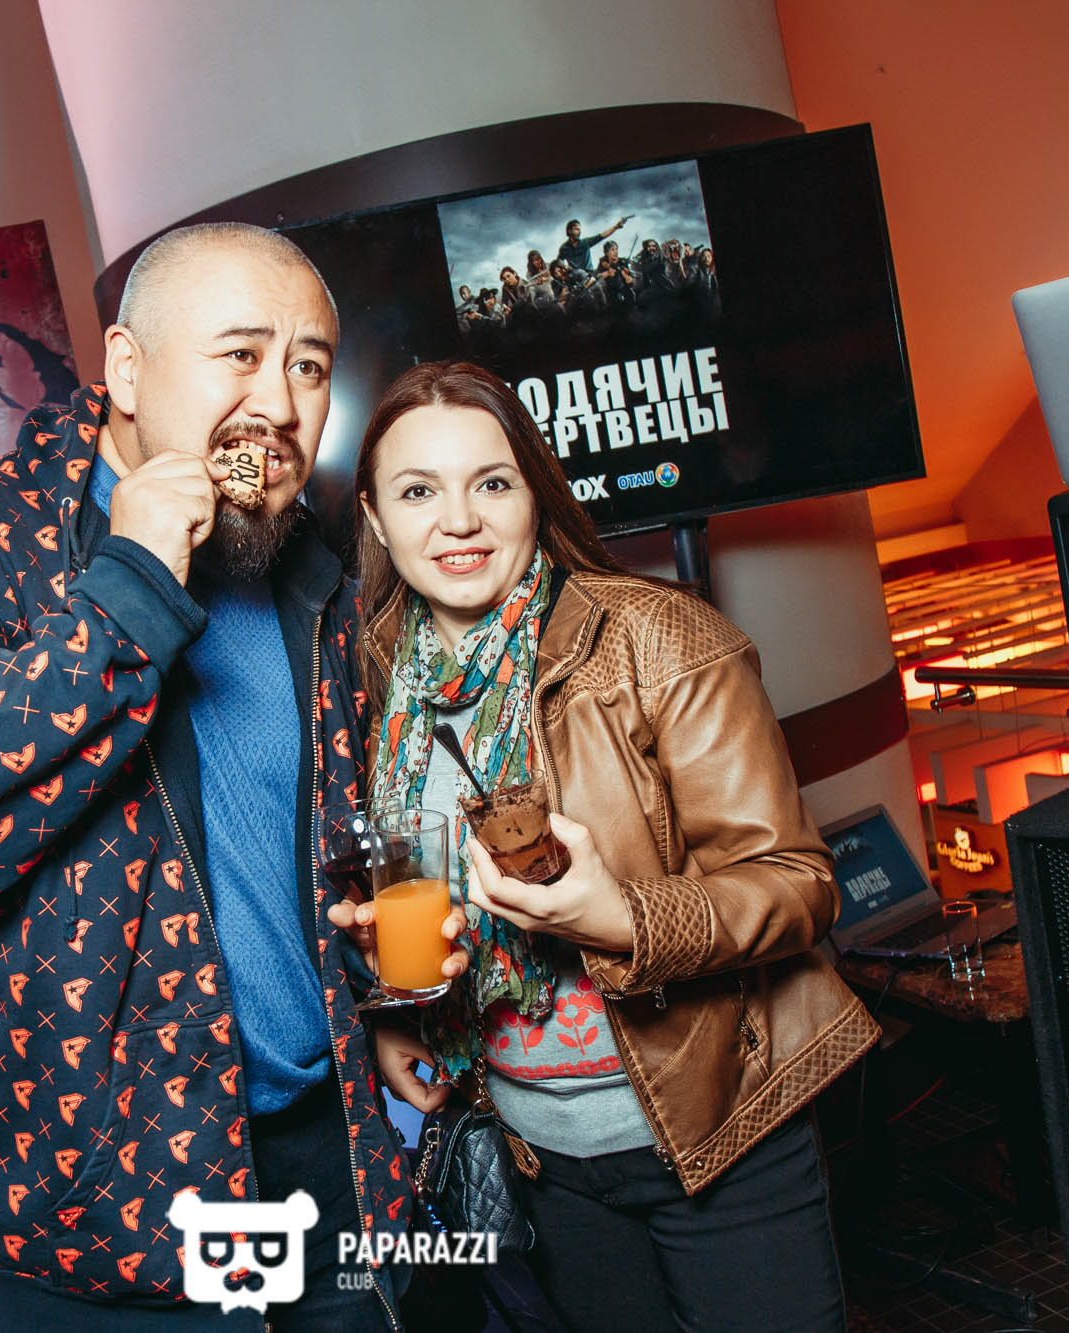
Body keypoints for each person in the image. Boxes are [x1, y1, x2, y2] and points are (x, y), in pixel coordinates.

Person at [0, 222, 414, 1330]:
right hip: (89, 1229)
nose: (280, 403)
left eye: (308, 365)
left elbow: (294, 860)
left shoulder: (310, 566)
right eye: (240, 354)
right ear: (126, 371)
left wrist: (379, 986)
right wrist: (125, 592)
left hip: (324, 1167)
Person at [333, 361, 879, 1332]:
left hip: (719, 1132)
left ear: (535, 493)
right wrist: (397, 1007)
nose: (458, 520)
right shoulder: (371, 681)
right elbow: (396, 886)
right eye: (417, 491)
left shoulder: (657, 638)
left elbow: (798, 885)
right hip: (540, 1155)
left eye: (491, 482)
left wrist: (619, 916)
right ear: (374, 518)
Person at [556, 214, 630, 278]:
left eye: (579, 230)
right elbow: (558, 262)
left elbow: (602, 235)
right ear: (569, 231)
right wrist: (566, 268)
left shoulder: (585, 242)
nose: (579, 232)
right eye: (576, 229)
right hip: (575, 277)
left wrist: (616, 227)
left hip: (589, 275)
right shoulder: (564, 248)